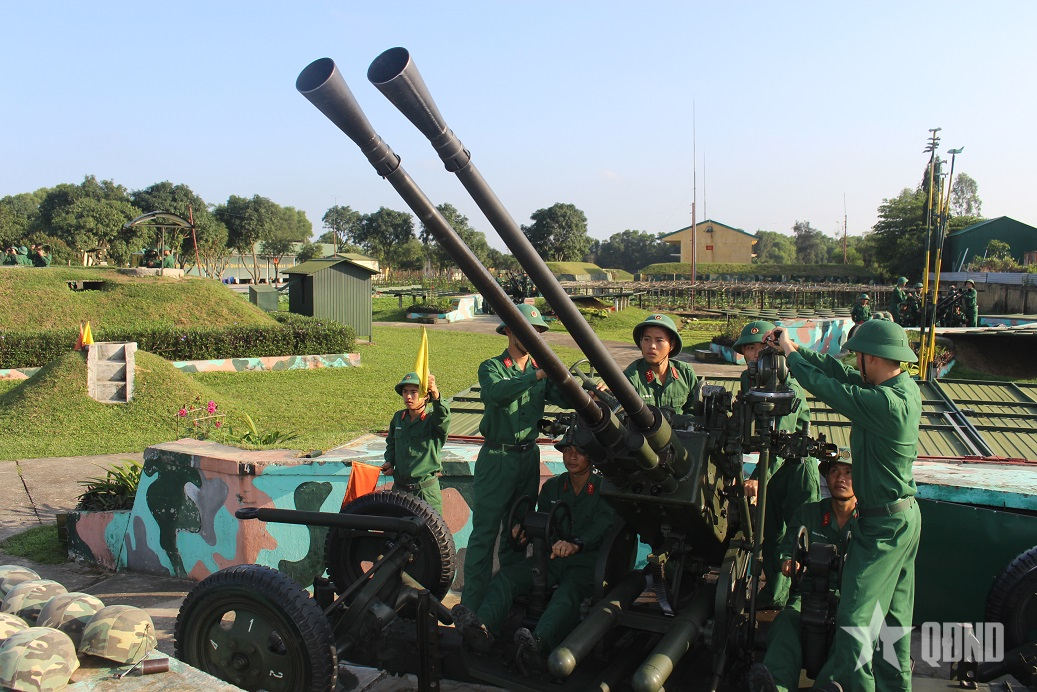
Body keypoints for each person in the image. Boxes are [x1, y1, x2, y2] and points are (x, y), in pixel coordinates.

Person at [763, 319, 921, 691]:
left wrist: (790, 356)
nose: (855, 363)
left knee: (854, 622)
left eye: (858, 356)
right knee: (893, 625)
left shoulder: (886, 404)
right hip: (903, 517)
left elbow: (830, 388)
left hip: (882, 527)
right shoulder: (902, 388)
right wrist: (797, 349)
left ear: (871, 357)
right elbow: (841, 376)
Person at [452, 429, 614, 670]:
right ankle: (483, 630)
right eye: (568, 451)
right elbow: (544, 520)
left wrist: (576, 543)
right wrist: (525, 529)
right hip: (550, 559)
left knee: (567, 594)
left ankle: (539, 642)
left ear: (591, 457)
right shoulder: (553, 487)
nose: (572, 457)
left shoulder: (603, 490)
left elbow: (603, 524)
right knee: (506, 578)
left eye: (579, 452)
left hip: (585, 563)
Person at [459, 303, 572, 612]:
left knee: (518, 534)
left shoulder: (540, 371)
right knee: (484, 535)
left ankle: (503, 606)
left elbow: (564, 397)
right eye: (526, 330)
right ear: (509, 330)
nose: (533, 337)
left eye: (537, 332)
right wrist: (537, 375)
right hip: (498, 457)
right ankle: (471, 608)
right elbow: (497, 393)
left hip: (527, 458)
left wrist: (580, 386)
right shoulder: (492, 367)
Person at [750, 449, 857, 692]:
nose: (841, 478)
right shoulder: (809, 514)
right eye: (834, 471)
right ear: (827, 478)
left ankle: (829, 686)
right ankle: (776, 686)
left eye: (849, 473)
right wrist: (789, 560)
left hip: (848, 599)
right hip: (806, 597)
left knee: (851, 634)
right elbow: (787, 547)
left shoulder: (867, 522)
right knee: (786, 623)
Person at [736, 321, 819, 610]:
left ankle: (798, 601)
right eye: (750, 349)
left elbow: (780, 439)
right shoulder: (748, 381)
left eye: (762, 348)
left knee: (799, 538)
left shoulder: (789, 384)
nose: (756, 355)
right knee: (770, 534)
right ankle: (773, 596)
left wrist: (759, 477)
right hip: (768, 469)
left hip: (795, 468)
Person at [381, 372, 450, 514]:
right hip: (400, 490)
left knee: (430, 528)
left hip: (425, 492)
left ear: (426, 396)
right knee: (395, 527)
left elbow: (443, 416)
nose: (408, 396)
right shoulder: (399, 418)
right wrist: (389, 461)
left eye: (414, 392)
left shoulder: (433, 420)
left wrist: (435, 392)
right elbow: (392, 444)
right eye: (405, 392)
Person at [623, 313, 699, 416]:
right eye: (647, 339)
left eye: (659, 340)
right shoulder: (632, 376)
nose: (652, 346)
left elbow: (694, 411)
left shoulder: (685, 373)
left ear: (672, 345)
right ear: (641, 342)